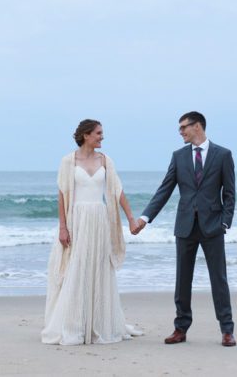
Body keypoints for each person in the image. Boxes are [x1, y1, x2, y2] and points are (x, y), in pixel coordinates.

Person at [133, 111, 237, 347]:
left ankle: (227, 330)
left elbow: (230, 194)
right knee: (182, 280)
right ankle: (180, 328)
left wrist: (225, 222)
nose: (180, 132)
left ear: (197, 126)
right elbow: (165, 189)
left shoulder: (223, 155)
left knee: (219, 279)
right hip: (185, 226)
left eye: (183, 127)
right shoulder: (178, 156)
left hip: (213, 227)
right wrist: (145, 218)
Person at [41, 119, 143, 345]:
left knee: (98, 268)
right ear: (86, 135)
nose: (102, 137)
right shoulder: (68, 161)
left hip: (99, 220)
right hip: (77, 219)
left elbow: (117, 191)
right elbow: (62, 195)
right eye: (98, 133)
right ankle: (74, 324)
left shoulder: (105, 160)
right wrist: (63, 227)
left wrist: (130, 218)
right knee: (76, 269)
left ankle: (97, 323)